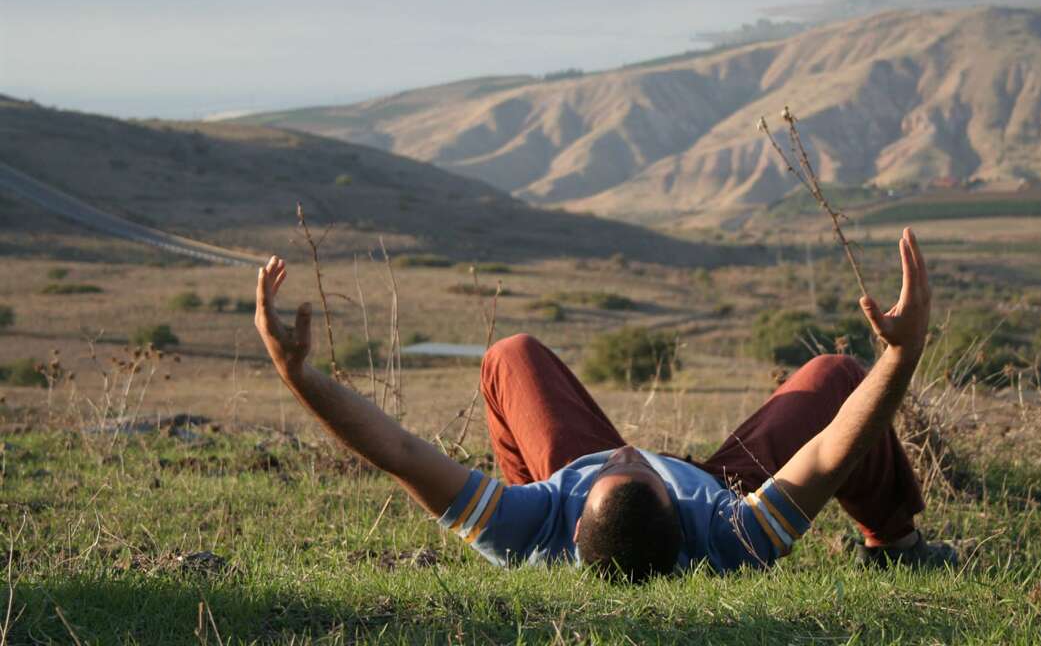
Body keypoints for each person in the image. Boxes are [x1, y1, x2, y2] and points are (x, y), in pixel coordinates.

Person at [254, 227, 955, 582]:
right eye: (638, 464)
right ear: (682, 510)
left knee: (510, 355)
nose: (629, 448)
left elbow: (398, 453)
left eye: (608, 467)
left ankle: (545, 468)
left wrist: (299, 376)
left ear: (574, 517)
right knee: (836, 375)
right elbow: (832, 452)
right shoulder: (728, 534)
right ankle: (895, 546)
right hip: (724, 486)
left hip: (551, 486)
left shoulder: (527, 527)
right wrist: (902, 352)